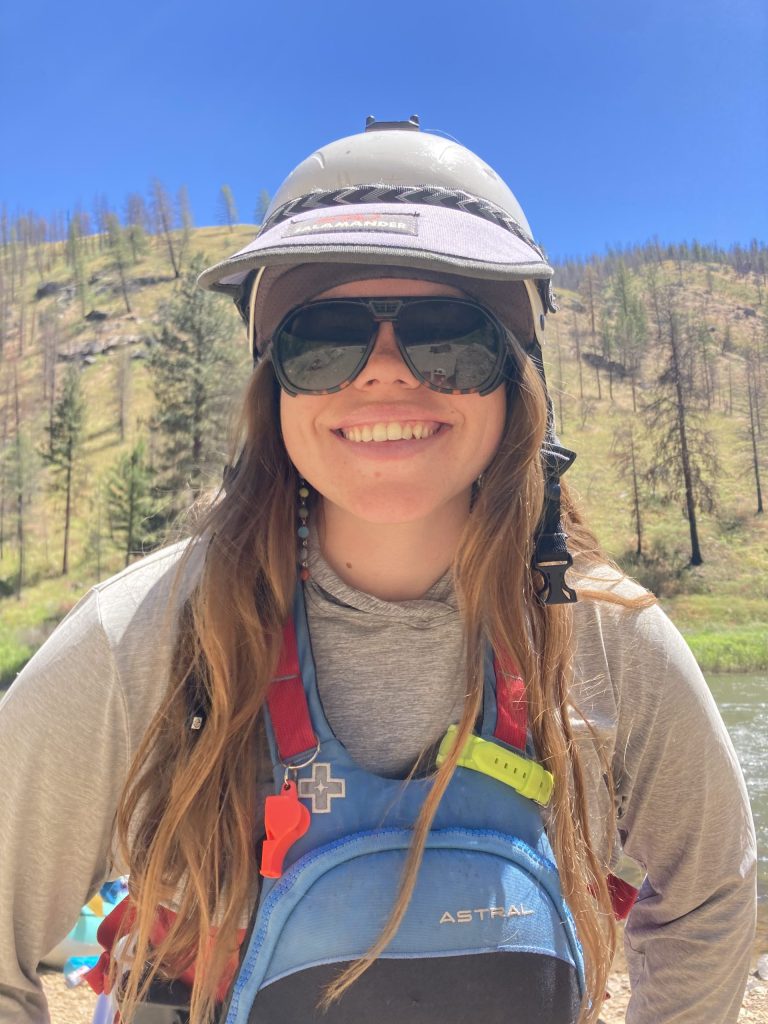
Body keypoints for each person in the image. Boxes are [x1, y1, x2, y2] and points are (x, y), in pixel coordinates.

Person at [0, 116, 756, 1024]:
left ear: (517, 380)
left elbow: (712, 894)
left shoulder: (609, 638)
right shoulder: (140, 637)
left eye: (448, 336)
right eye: (324, 340)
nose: (387, 373)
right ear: (275, 385)